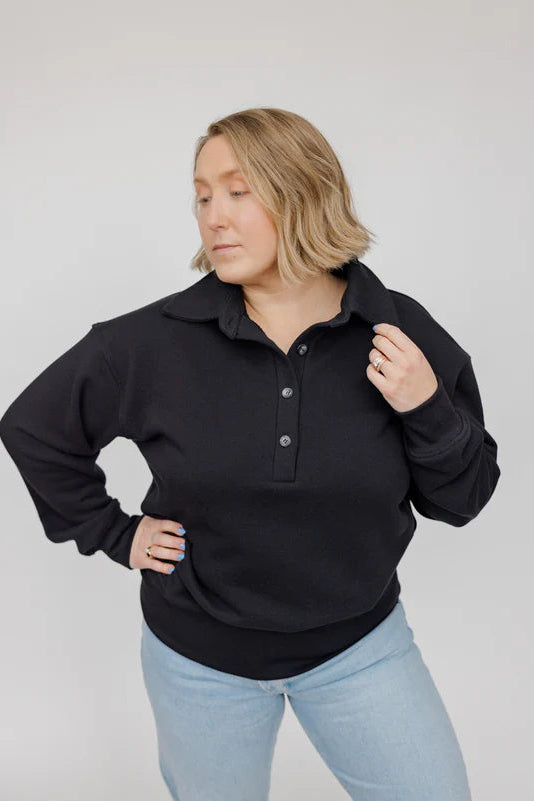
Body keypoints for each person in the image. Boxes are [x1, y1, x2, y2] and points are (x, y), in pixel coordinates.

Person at [0, 107, 501, 801]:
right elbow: (34, 427)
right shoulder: (154, 341)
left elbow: (463, 499)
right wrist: (114, 532)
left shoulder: (398, 329)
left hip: (361, 650)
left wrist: (426, 406)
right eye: (202, 196)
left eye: (238, 191)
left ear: (306, 192)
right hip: (198, 660)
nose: (214, 217)